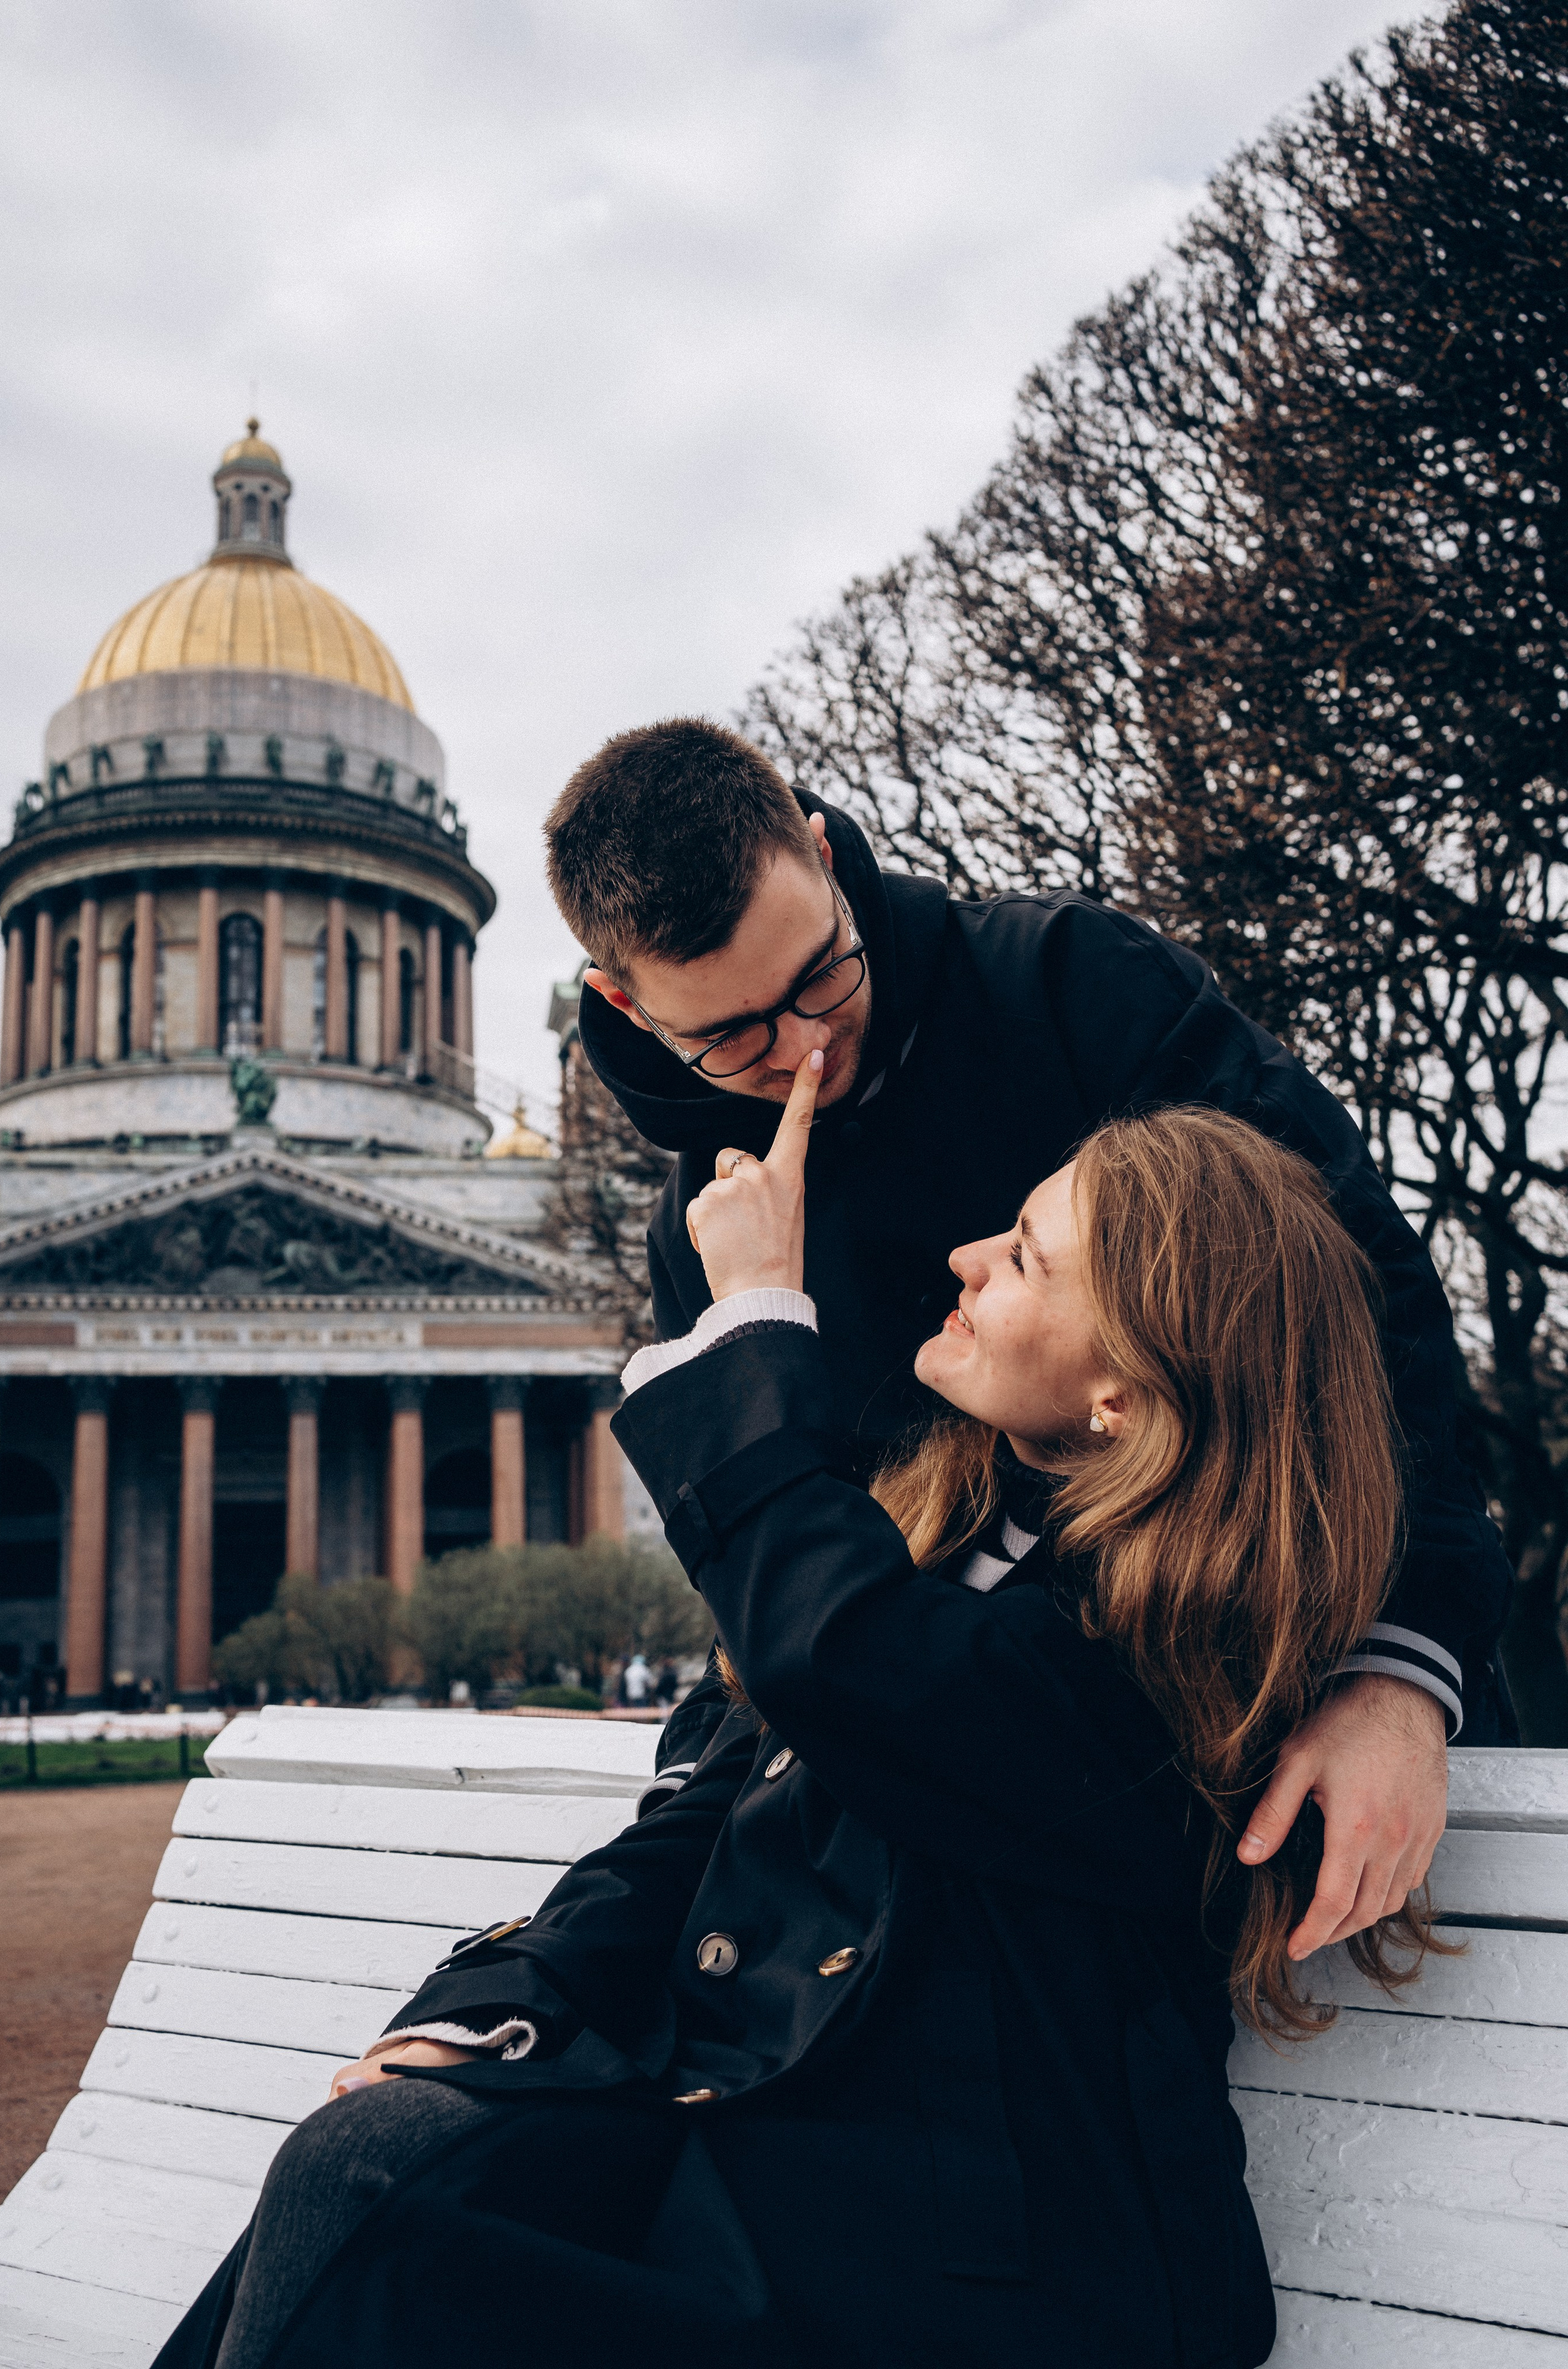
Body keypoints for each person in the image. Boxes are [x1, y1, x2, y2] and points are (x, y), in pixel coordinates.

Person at [154, 1067, 1440, 2369]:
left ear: (1122, 1386)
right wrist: (492, 2008)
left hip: (987, 2267)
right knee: (367, 2162)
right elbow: (703, 1817)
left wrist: (758, 1319)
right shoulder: (927, 1529)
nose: (965, 1258)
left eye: (1025, 1259)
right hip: (771, 2149)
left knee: (388, 2235)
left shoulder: (1192, 1650)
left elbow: (872, 1677)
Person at [545, 717, 1515, 1959]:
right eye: (732, 1037)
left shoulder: (1072, 985)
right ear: (625, 1004)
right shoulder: (702, 1243)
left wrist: (1400, 1661)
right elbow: (786, 1604)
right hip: (981, 1851)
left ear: (826, 856)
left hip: (1287, 1706)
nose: (804, 1053)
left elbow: (1361, 1312)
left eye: (821, 978)